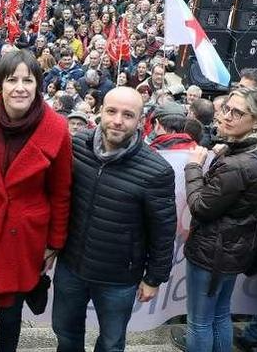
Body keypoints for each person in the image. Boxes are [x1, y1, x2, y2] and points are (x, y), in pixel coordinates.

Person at [0, 50, 73, 352]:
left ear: (37, 86)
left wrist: (54, 242)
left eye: (28, 80)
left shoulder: (57, 127)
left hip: (24, 239)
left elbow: (61, 191)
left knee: (11, 316)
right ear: (0, 84)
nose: (20, 87)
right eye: (12, 80)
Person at [52, 86, 177, 352]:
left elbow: (164, 230)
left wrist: (154, 278)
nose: (118, 120)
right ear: (99, 113)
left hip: (119, 277)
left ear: (141, 121)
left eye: (128, 114)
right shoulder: (76, 146)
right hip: (72, 266)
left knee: (111, 343)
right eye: (111, 111)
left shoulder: (156, 170)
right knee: (64, 332)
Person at [181, 87, 257, 352]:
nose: (225, 116)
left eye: (236, 112)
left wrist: (193, 167)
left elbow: (201, 207)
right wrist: (226, 151)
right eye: (225, 108)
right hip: (237, 247)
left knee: (199, 322)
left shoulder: (238, 165)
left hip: (212, 252)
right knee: (219, 314)